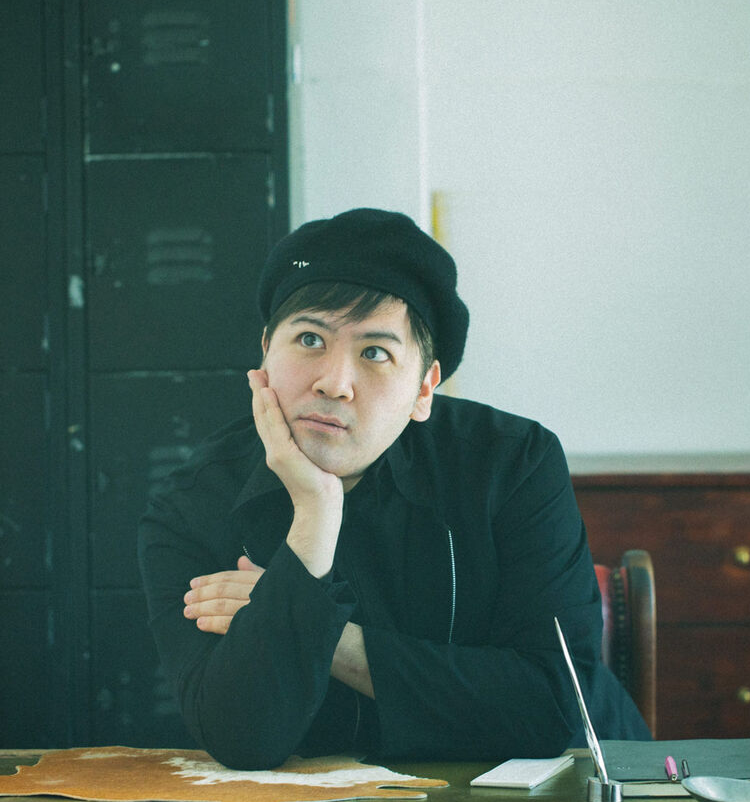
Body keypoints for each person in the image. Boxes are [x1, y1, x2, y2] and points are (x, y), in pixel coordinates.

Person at [138, 208, 649, 771]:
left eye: (375, 353)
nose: (334, 383)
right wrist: (314, 513)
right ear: (264, 352)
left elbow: (550, 707)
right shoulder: (194, 505)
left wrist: (314, 626)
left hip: (576, 790)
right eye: (309, 339)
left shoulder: (512, 463)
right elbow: (243, 739)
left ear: (424, 388)